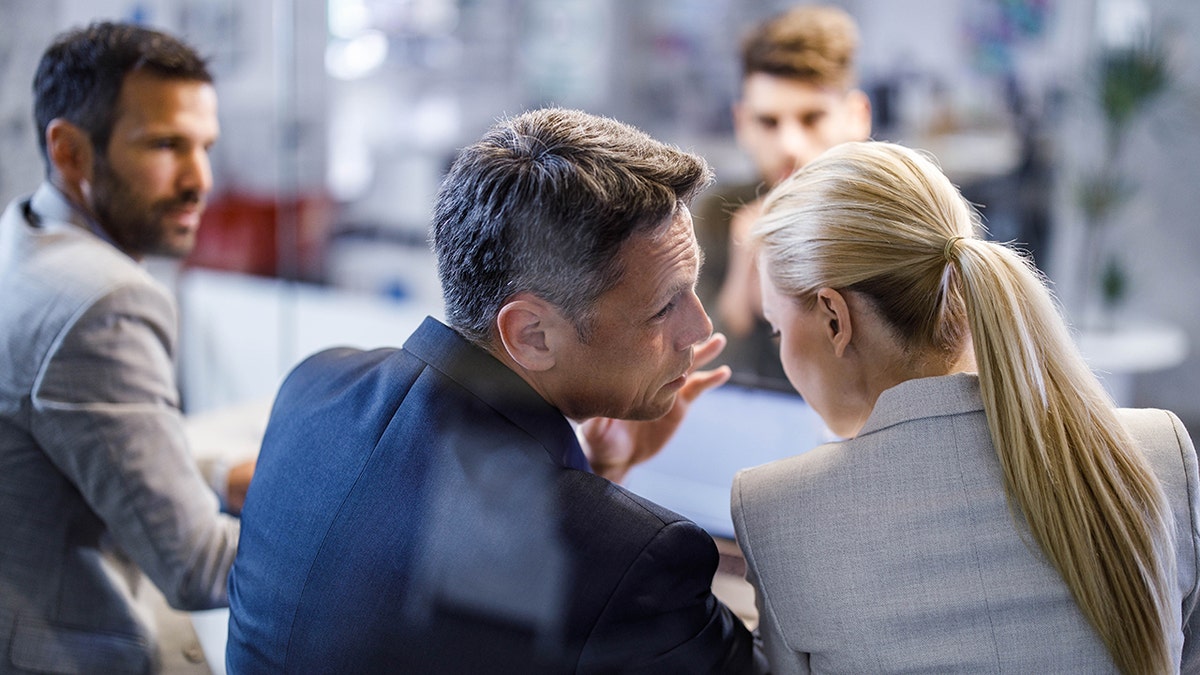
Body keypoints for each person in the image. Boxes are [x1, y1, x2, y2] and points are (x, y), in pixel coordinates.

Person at [226, 107, 765, 673]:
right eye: (664, 306)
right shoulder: (638, 559)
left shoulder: (315, 387)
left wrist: (592, 479)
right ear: (530, 335)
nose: (701, 327)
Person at [731, 140, 1200, 673]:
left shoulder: (778, 509)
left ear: (835, 319)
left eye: (775, 328)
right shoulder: (1161, 452)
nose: (780, 349)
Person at [0, 22, 250, 674]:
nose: (201, 179)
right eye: (167, 145)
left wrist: (219, 475)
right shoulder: (103, 299)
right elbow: (198, 566)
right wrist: (368, 538)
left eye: (205, 146)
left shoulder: (20, 238)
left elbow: (84, 441)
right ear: (71, 152)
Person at [694, 4, 871, 382]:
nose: (789, 144)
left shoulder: (896, 219)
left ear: (857, 116)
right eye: (768, 121)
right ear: (742, 123)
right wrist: (740, 285)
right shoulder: (719, 217)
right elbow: (696, 387)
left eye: (812, 118)